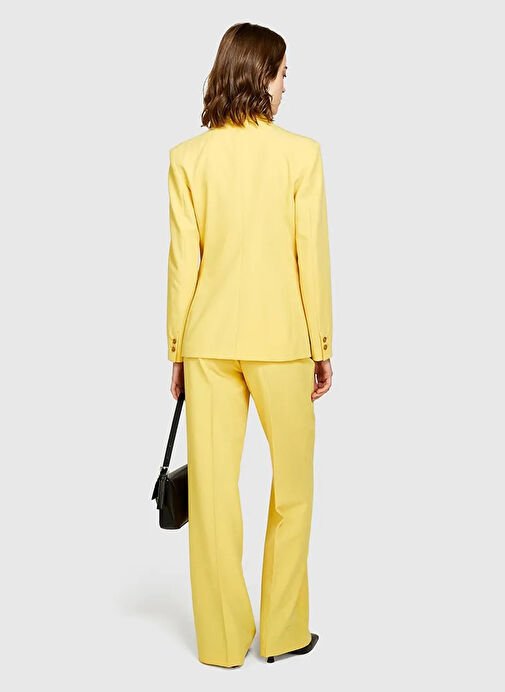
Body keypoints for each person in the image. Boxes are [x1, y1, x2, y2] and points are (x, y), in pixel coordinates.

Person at [166, 22, 333, 667]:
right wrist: (321, 344)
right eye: (284, 73)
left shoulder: (188, 158)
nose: (287, 85)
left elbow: (183, 264)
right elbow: (310, 256)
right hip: (282, 341)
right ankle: (284, 633)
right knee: (293, 489)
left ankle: (221, 640)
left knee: (212, 495)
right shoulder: (301, 155)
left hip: (207, 342)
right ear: (261, 75)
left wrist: (177, 351)